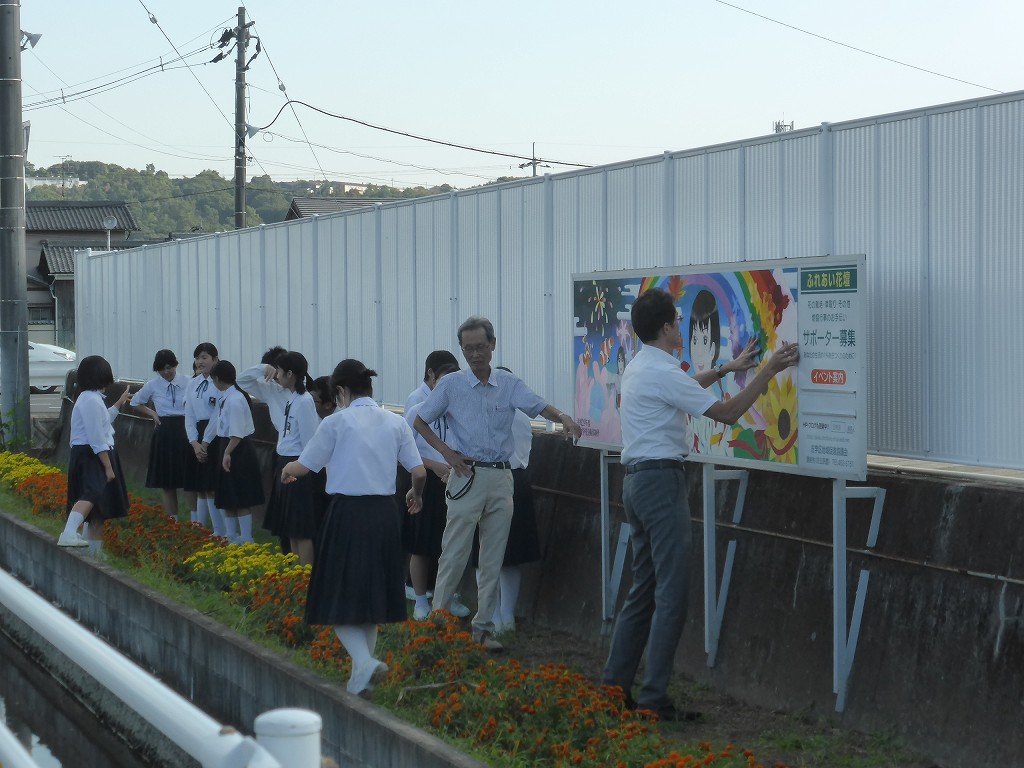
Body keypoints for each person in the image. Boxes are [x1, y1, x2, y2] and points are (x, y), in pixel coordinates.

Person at [600, 287, 799, 718]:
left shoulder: (641, 366)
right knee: (672, 594)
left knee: (643, 591)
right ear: (667, 327)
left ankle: (613, 688)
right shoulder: (662, 369)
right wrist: (768, 370)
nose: (681, 327)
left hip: (636, 484)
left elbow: (684, 390)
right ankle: (653, 699)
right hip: (660, 483)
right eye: (677, 320)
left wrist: (726, 368)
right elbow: (726, 415)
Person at [414, 316, 582, 652]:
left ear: (492, 345)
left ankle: (483, 629)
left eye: (480, 346)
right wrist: (447, 452)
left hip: (502, 476)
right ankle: (437, 626)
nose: (475, 354)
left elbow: (539, 405)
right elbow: (420, 421)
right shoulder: (451, 385)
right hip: (466, 475)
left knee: (493, 557)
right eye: (468, 348)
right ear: (462, 350)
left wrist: (563, 416)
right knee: (454, 552)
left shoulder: (509, 383)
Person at [281, 359, 425, 697]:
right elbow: (418, 472)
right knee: (371, 597)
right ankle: (361, 675)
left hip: (347, 514)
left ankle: (363, 663)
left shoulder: (336, 422)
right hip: (385, 515)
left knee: (334, 594)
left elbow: (304, 466)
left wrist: (287, 469)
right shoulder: (395, 421)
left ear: (341, 391)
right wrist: (415, 494)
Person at [470, 366, 541, 634]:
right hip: (519, 481)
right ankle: (507, 617)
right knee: (512, 555)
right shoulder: (522, 414)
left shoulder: (489, 413)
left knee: (484, 554)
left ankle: (493, 617)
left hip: (492, 479)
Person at [238, 350, 320, 564]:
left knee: (300, 527)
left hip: (297, 463)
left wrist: (300, 467)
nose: (276, 376)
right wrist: (262, 369)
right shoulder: (292, 397)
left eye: (280, 371)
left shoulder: (304, 401)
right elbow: (242, 380)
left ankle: (305, 574)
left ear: (290, 374)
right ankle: (295, 572)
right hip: (285, 460)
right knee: (290, 526)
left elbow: (311, 441)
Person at [404, 361, 462, 621]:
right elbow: (404, 451)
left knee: (454, 543)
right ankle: (420, 599)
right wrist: (434, 466)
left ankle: (450, 597)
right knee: (422, 543)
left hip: (456, 481)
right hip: (426, 483)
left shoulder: (462, 410)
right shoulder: (417, 411)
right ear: (433, 380)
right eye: (442, 382)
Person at [58, 356, 132, 555]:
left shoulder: (92, 398)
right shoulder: (90, 400)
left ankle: (94, 553)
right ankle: (69, 532)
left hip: (93, 453)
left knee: (99, 510)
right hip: (92, 454)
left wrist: (119, 403)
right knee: (92, 493)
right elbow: (96, 437)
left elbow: (103, 422)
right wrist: (108, 467)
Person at [200, 361, 266, 544]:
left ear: (217, 379)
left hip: (237, 449)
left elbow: (237, 433)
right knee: (227, 495)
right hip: (227, 446)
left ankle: (246, 538)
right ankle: (231, 536)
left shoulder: (235, 399)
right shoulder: (226, 397)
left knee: (240, 496)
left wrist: (227, 453)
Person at [129, 349, 190, 521]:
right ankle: (173, 519)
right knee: (167, 481)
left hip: (186, 429)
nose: (166, 372)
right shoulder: (152, 385)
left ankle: (195, 520)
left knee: (191, 478)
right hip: (165, 430)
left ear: (175, 365)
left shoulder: (188, 381)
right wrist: (153, 413)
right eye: (162, 369)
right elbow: (135, 402)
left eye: (169, 367)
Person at [184, 342, 226, 537]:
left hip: (216, 435)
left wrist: (206, 442)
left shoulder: (220, 383)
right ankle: (204, 528)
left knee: (213, 486)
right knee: (202, 485)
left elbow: (218, 414)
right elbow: (189, 415)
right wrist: (194, 442)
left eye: (204, 357)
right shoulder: (192, 384)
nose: (200, 361)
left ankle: (222, 531)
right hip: (198, 436)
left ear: (215, 359)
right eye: (197, 357)